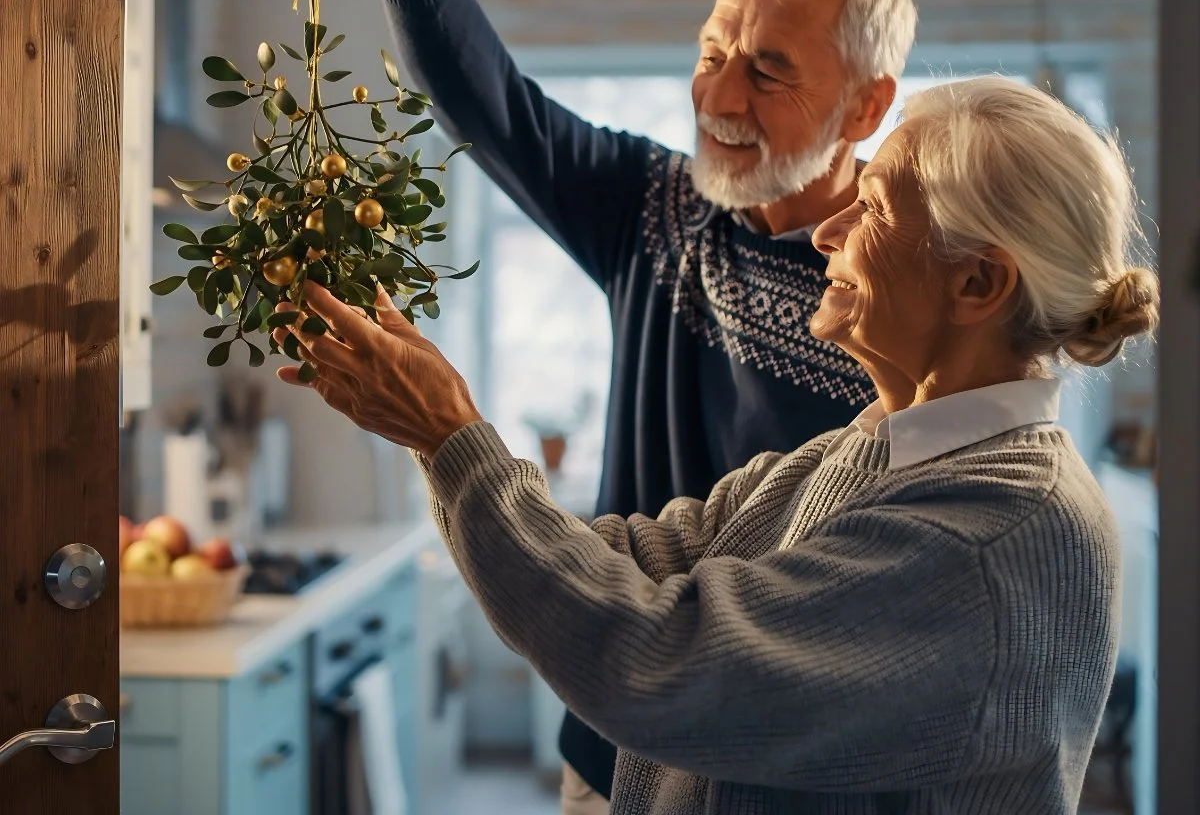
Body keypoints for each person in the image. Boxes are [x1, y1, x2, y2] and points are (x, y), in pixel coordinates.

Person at [274, 76, 1158, 814]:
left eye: (873, 208)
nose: (825, 233)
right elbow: (645, 562)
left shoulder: (994, 534)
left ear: (977, 281)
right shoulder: (880, 447)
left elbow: (662, 661)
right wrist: (435, 435)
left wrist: (450, 432)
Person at [294, 0, 918, 805]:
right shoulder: (653, 207)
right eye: (712, 53)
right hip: (610, 742)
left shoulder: (894, 287)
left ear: (867, 103)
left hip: (780, 774)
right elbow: (496, 111)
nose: (717, 97)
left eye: (767, 72)